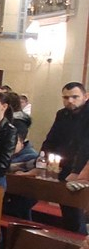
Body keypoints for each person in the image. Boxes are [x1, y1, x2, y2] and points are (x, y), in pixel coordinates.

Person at [41, 82, 88, 234]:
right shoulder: (62, 114)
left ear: (86, 96)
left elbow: (86, 145)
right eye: (66, 98)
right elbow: (51, 139)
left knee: (76, 210)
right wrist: (43, 160)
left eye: (75, 97)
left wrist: (77, 171)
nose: (70, 101)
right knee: (67, 208)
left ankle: (78, 239)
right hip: (63, 164)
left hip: (83, 168)